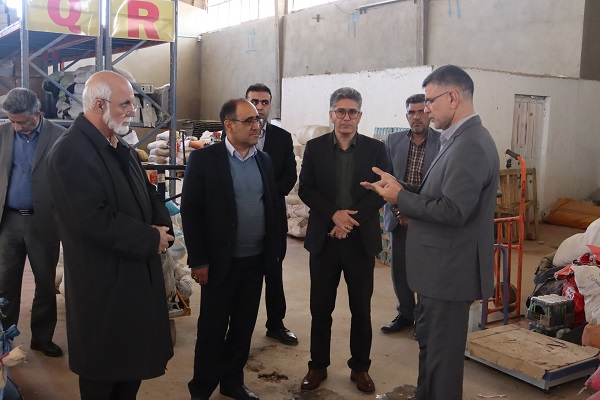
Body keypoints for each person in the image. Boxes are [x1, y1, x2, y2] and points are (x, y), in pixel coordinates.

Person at [361, 65, 499, 400]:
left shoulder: (470, 144)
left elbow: (453, 210)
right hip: (438, 272)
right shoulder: (456, 139)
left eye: (430, 101)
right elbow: (436, 195)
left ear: (452, 97)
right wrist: (400, 188)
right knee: (431, 350)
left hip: (450, 273)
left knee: (443, 361)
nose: (425, 109)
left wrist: (401, 198)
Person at [47, 70, 174, 400]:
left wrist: (163, 227)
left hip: (133, 280)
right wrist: (151, 239)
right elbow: (92, 220)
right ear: (100, 104)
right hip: (103, 288)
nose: (133, 110)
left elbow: (148, 192)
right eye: (126, 104)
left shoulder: (119, 146)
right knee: (103, 374)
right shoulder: (70, 152)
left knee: (130, 368)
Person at [181, 98, 280, 400]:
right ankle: (201, 387)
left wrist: (273, 254)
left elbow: (271, 207)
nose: (256, 126)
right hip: (219, 262)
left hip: (255, 261)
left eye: (258, 120)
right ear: (228, 125)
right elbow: (191, 211)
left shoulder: (264, 160)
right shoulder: (205, 160)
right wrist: (199, 260)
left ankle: (232, 382)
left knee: (242, 327)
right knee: (211, 329)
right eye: (248, 120)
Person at [298, 87, 390, 394]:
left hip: (359, 241)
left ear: (360, 116)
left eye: (352, 112)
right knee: (320, 308)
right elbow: (307, 189)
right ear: (331, 114)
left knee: (361, 309)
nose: (346, 117)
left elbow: (381, 191)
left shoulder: (376, 150)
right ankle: (317, 365)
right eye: (340, 111)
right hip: (324, 239)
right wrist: (333, 215)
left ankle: (360, 367)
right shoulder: (315, 148)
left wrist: (349, 221)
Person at [0, 88, 66, 357]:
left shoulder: (59, 136)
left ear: (37, 114)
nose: (16, 127)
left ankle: (42, 338)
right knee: (5, 284)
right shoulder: (3, 134)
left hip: (44, 221)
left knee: (45, 282)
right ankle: (4, 340)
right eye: (12, 121)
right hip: (8, 221)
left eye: (22, 122)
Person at [380, 94, 440, 334]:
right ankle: (405, 314)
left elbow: (439, 187)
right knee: (400, 271)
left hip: (427, 218)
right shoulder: (393, 141)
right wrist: (399, 210)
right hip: (399, 217)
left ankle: (423, 320)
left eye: (421, 111)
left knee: (426, 272)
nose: (416, 117)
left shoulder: (442, 143)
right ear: (406, 116)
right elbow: (386, 179)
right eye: (411, 113)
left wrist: (415, 213)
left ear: (429, 113)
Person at [245, 83, 298, 346]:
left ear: (270, 105)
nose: (259, 107)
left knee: (274, 272)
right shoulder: (233, 134)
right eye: (254, 101)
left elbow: (290, 175)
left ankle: (276, 324)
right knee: (244, 275)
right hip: (244, 217)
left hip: (274, 216)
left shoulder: (282, 138)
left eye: (264, 102)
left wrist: (267, 193)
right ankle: (240, 326)